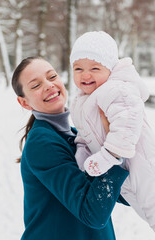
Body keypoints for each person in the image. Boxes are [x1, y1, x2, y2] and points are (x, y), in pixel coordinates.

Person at [70, 31, 155, 240]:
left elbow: (127, 122)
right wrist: (82, 156)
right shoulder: (82, 101)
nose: (85, 75)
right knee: (149, 213)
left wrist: (107, 156)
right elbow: (84, 135)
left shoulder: (116, 89)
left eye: (94, 68)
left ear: (110, 69)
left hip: (145, 165)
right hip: (124, 168)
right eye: (78, 68)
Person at [11, 56, 130, 240]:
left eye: (52, 77)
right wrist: (113, 151)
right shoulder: (43, 143)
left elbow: (112, 192)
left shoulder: (74, 135)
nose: (49, 85)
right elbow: (92, 213)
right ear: (24, 103)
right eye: (36, 85)